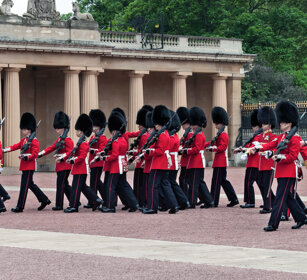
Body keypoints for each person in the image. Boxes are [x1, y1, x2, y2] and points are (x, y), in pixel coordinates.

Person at [251, 101, 307, 231]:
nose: (280, 123)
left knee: (280, 198)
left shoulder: (294, 138)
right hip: (281, 171)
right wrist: (257, 148)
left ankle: (273, 224)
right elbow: (269, 145)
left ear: (289, 122)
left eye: (283, 121)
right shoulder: (281, 137)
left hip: (289, 171)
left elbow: (293, 156)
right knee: (288, 197)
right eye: (281, 121)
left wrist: (279, 157)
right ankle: (301, 218)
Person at [4, 113, 51, 213]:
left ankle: (20, 206)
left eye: (24, 129)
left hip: (30, 166)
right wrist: (4, 150)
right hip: (25, 166)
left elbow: (34, 154)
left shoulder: (34, 141)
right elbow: (15, 146)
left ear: (29, 129)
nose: (22, 131)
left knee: (24, 186)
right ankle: (44, 199)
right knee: (30, 185)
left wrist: (24, 156)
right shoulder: (24, 140)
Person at [143, 105, 178, 214]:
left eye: (156, 124)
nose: (155, 126)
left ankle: (152, 207)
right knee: (165, 185)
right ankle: (174, 205)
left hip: (159, 164)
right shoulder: (164, 133)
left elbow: (160, 151)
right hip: (163, 164)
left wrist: (149, 151)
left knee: (153, 186)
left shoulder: (162, 135)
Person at [64, 114, 102, 213]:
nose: (76, 132)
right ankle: (97, 200)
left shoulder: (84, 143)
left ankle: (74, 206)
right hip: (78, 168)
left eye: (77, 130)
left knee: (76, 187)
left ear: (81, 131)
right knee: (83, 187)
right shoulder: (80, 142)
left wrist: (72, 160)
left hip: (81, 168)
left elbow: (82, 157)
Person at [38, 111, 74, 211]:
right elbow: (52, 147)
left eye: (58, 128)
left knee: (60, 185)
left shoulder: (68, 140)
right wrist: (41, 153)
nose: (56, 130)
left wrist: (61, 156)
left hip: (65, 166)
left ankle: (59, 205)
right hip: (60, 166)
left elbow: (70, 152)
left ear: (63, 128)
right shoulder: (59, 139)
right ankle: (74, 200)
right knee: (65, 185)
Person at [205, 107, 239, 207]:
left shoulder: (223, 135)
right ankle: (234, 199)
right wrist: (203, 146)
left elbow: (222, 147)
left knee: (216, 181)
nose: (216, 125)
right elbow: (212, 142)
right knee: (223, 181)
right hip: (219, 161)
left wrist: (212, 149)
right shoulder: (219, 134)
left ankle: (213, 201)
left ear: (221, 123)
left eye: (217, 123)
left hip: (221, 161)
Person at [234, 109, 261, 208]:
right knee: (261, 184)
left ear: (258, 126)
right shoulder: (256, 136)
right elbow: (248, 146)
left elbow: (252, 148)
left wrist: (243, 149)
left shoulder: (258, 136)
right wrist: (241, 149)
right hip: (255, 163)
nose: (252, 128)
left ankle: (250, 201)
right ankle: (271, 200)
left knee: (248, 182)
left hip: (253, 163)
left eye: (254, 126)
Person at [253, 106, 277, 214]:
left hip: (269, 164)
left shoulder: (273, 136)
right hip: (261, 164)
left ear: (270, 124)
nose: (263, 125)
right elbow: (255, 144)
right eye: (262, 123)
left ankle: (268, 207)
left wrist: (262, 147)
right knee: (262, 185)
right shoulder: (261, 136)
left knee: (267, 186)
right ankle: (271, 202)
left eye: (265, 123)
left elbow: (273, 147)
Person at [86, 109, 108, 208]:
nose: (93, 127)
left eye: (94, 126)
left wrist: (92, 150)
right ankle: (106, 199)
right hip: (92, 163)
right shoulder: (92, 137)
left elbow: (102, 150)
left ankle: (93, 201)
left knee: (94, 183)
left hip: (98, 163)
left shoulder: (102, 137)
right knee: (97, 183)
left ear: (99, 126)